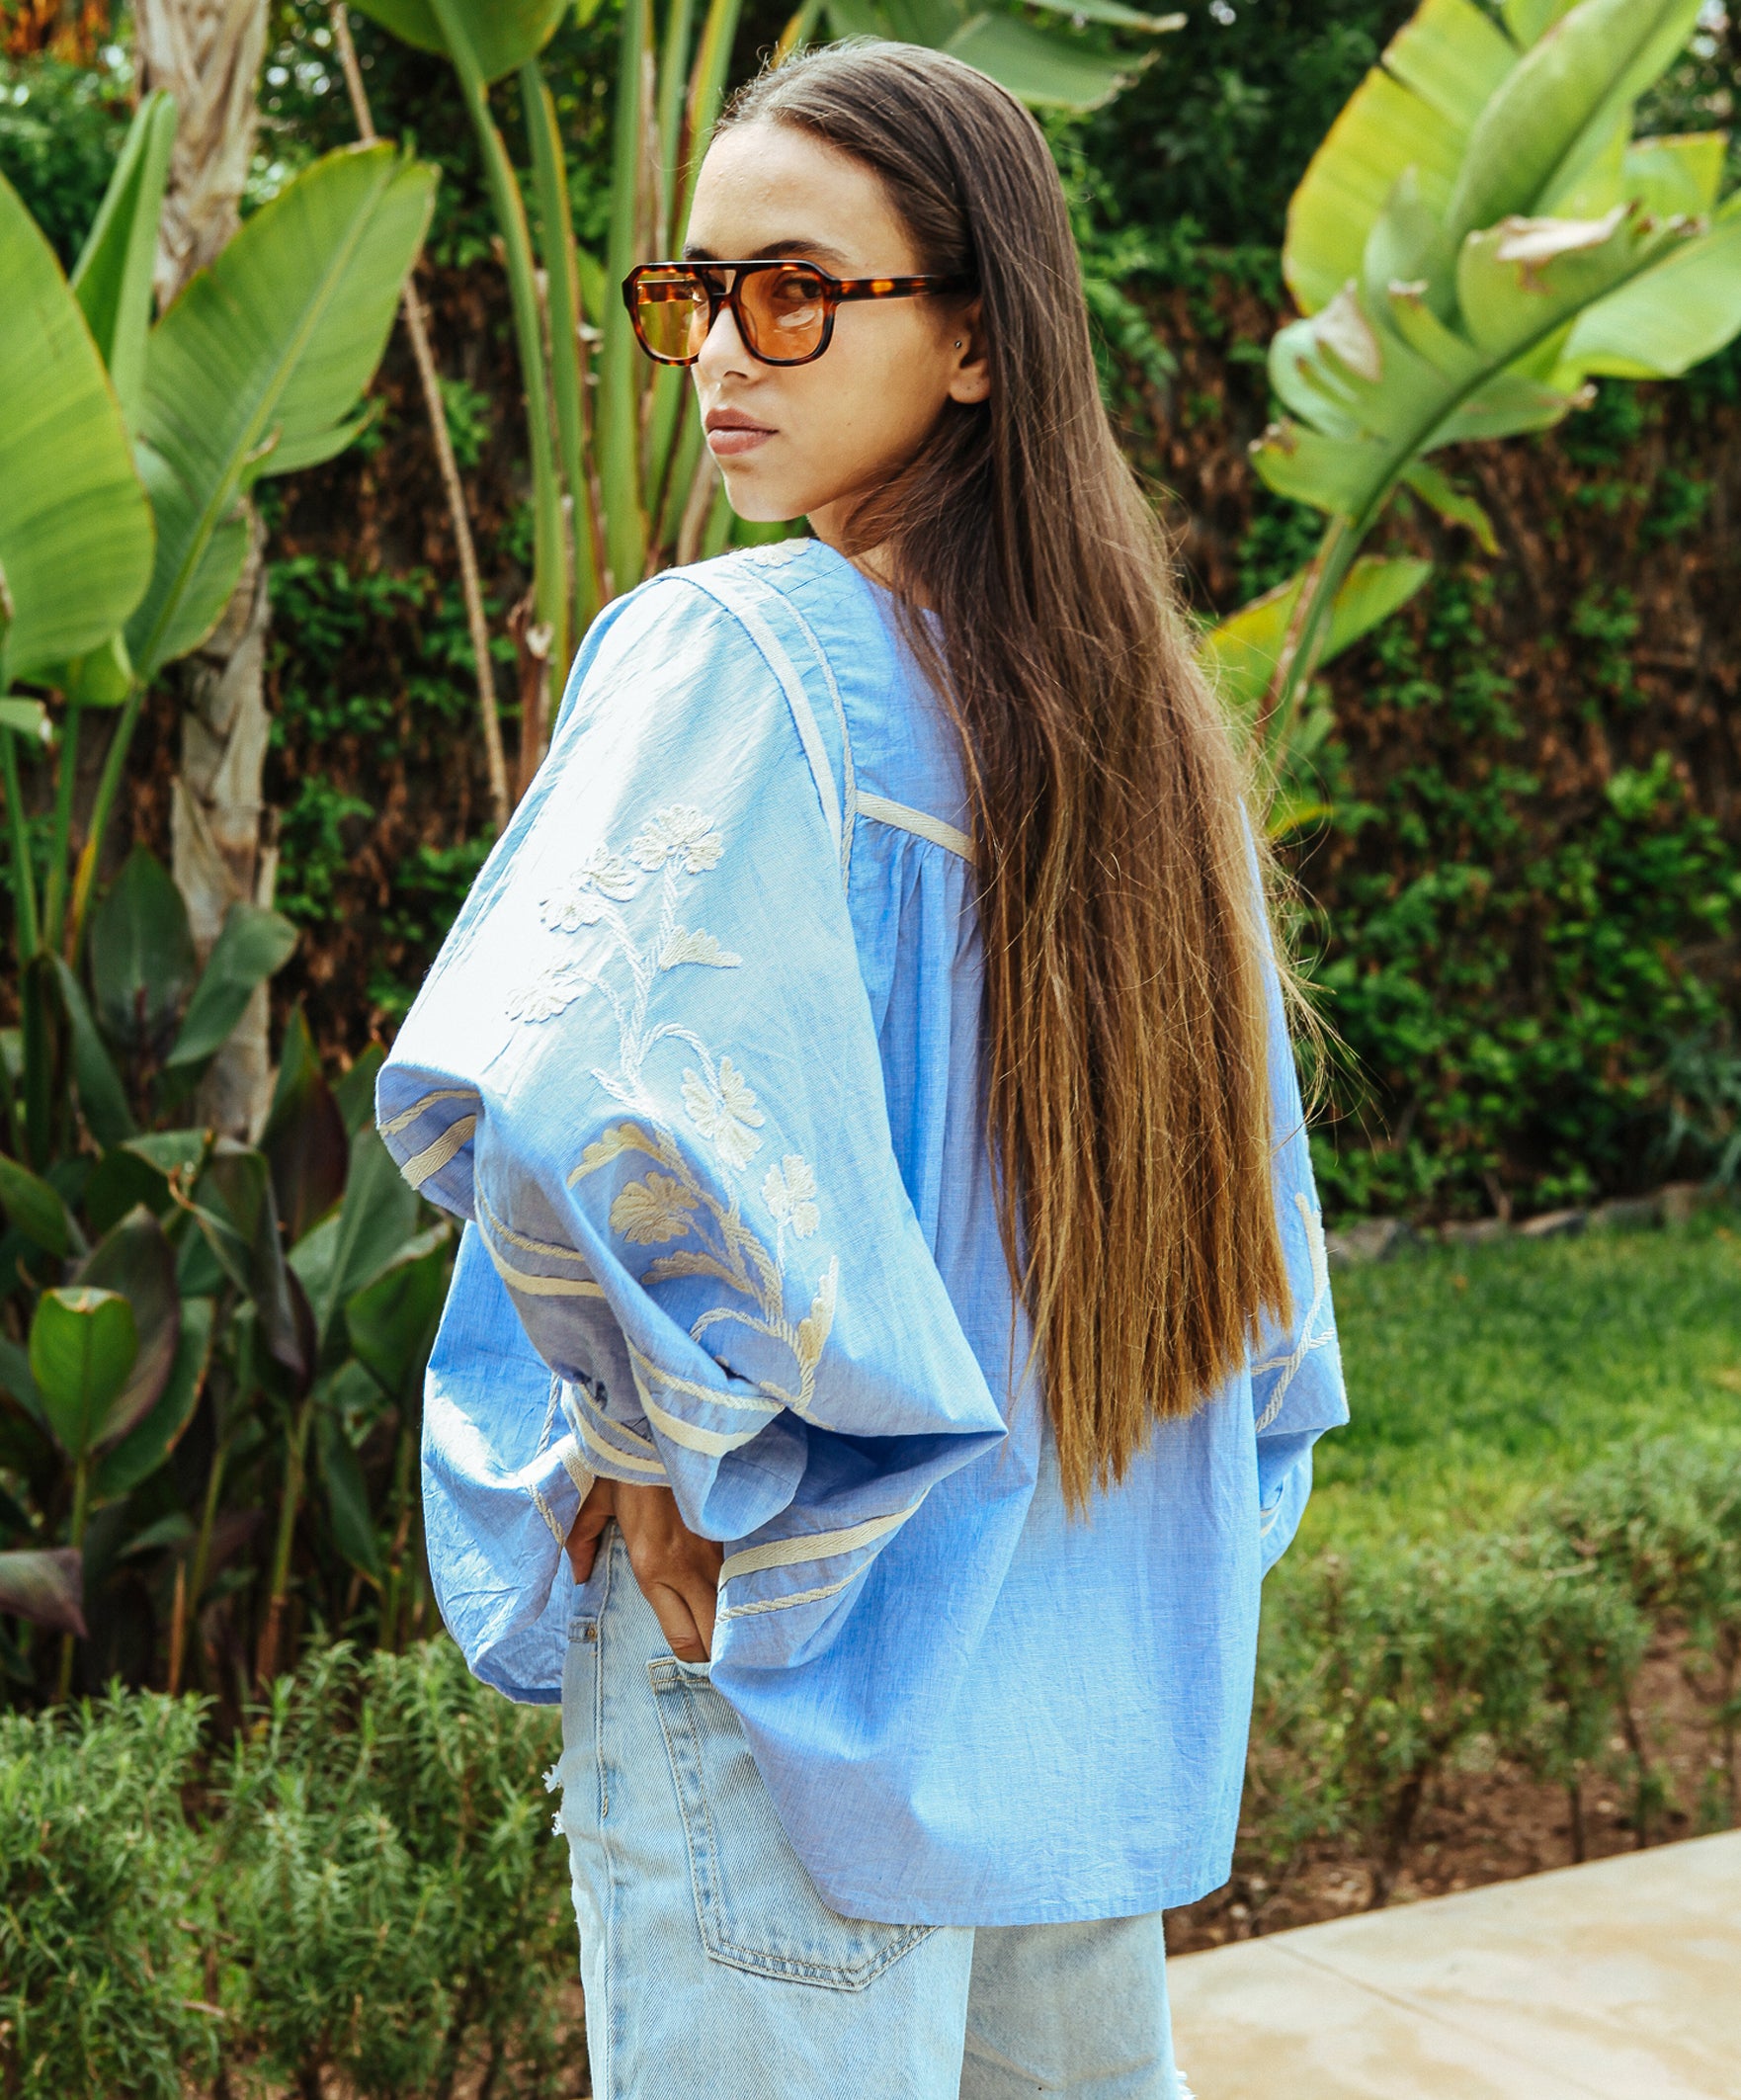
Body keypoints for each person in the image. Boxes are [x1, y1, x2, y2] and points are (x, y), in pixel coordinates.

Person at [376, 38, 1346, 2100]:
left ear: (975, 337)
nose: (722, 346)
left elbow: (543, 1092)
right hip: (1060, 1687)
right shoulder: (1146, 747)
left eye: (795, 290)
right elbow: (1263, 1334)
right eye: (690, 290)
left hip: (778, 1644)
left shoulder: (738, 652)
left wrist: (645, 1433)